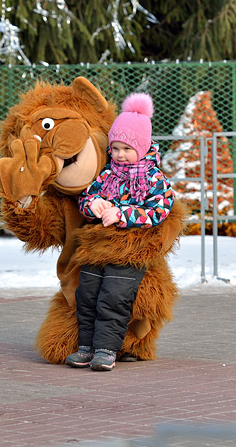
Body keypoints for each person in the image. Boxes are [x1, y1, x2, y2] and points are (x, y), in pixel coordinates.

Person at [66, 93, 174, 371]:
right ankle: (86, 347)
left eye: (127, 148)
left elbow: (159, 210)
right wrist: (94, 204)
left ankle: (106, 349)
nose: (120, 154)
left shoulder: (153, 179)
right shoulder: (107, 174)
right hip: (97, 246)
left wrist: (123, 214)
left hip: (129, 249)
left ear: (142, 146)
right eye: (115, 148)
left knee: (113, 298)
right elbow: (86, 198)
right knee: (87, 295)